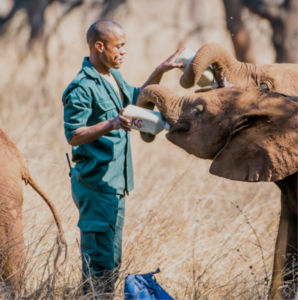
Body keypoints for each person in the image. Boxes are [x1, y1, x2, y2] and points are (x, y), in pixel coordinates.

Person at [62, 19, 185, 295]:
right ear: (99, 46)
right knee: (98, 266)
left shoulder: (112, 76)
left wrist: (160, 71)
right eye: (118, 46)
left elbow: (137, 100)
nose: (123, 52)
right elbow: (73, 135)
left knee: (111, 262)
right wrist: (111, 123)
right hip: (95, 186)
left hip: (115, 185)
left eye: (125, 46)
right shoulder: (81, 87)